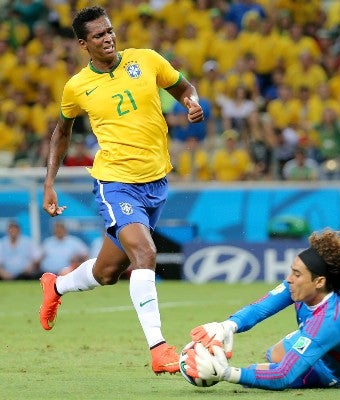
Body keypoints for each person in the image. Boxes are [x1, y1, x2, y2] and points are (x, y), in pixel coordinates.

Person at [38, 6, 204, 375]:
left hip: (156, 182)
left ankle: (57, 286)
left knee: (108, 272)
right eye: (98, 35)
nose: (108, 38)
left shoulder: (145, 60)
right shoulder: (77, 86)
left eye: (109, 31)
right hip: (115, 183)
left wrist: (192, 103)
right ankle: (159, 350)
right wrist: (49, 183)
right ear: (84, 44)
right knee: (145, 253)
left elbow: (183, 87)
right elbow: (61, 133)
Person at [183, 229, 340, 390]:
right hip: (327, 344)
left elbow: (282, 377)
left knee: (260, 373)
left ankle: (322, 377)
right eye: (291, 271)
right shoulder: (308, 289)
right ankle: (309, 361)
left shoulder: (330, 321)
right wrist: (227, 326)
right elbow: (260, 308)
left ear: (319, 281)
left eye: (297, 274)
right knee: (275, 353)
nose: (289, 279)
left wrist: (228, 373)